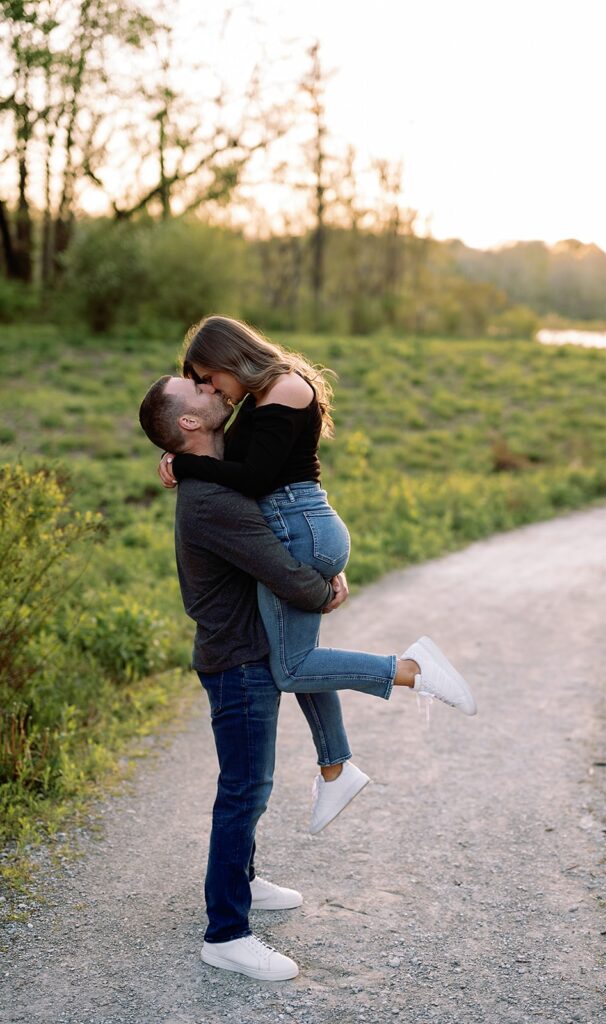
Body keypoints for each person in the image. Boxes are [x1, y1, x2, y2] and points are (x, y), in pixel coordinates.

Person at [138, 376, 474, 981]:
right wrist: (322, 586)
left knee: (246, 786)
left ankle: (244, 879)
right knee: (244, 791)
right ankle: (226, 932)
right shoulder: (212, 501)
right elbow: (285, 573)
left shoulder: (218, 472)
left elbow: (277, 525)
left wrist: (313, 576)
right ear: (188, 424)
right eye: (194, 388)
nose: (208, 387)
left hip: (247, 649)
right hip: (239, 662)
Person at [158, 317, 477, 835]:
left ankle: (411, 670)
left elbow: (259, 478)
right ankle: (335, 769)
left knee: (292, 666)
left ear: (229, 358)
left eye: (208, 378)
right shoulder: (259, 397)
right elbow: (239, 465)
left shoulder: (284, 386)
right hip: (296, 528)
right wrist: (179, 451)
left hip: (298, 528)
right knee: (299, 658)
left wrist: (190, 468)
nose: (211, 390)